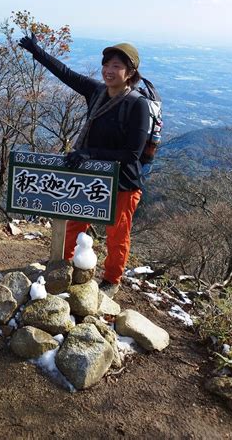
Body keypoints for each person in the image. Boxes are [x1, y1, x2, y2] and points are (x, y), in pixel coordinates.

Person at [18, 33, 149, 298]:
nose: (109, 71)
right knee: (74, 223)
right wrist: (36, 50)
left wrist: (90, 153)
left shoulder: (138, 105)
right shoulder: (97, 92)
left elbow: (132, 153)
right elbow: (65, 73)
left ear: (130, 72)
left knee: (117, 235)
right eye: (107, 64)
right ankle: (62, 266)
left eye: (117, 66)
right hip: (90, 178)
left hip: (122, 182)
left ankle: (111, 279)